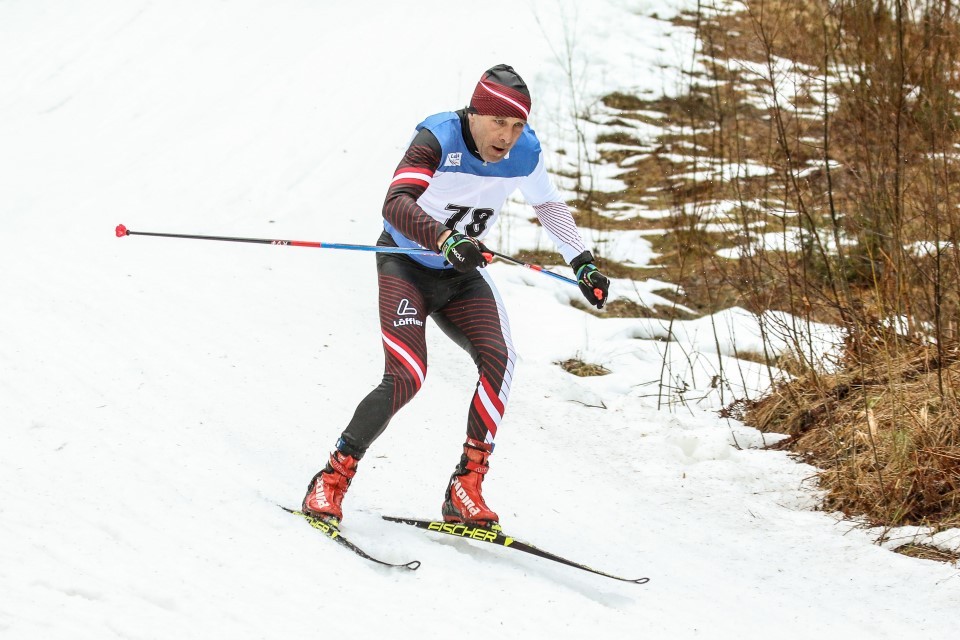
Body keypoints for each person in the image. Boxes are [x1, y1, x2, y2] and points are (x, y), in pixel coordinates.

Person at [302, 64, 609, 529]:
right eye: (499, 122)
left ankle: (466, 487)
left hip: (460, 276)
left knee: (500, 358)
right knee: (407, 375)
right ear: (475, 114)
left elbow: (547, 203)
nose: (507, 136)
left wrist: (581, 260)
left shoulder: (525, 152)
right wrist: (445, 239)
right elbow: (396, 203)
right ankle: (332, 477)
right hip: (406, 264)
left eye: (517, 125)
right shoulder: (438, 138)